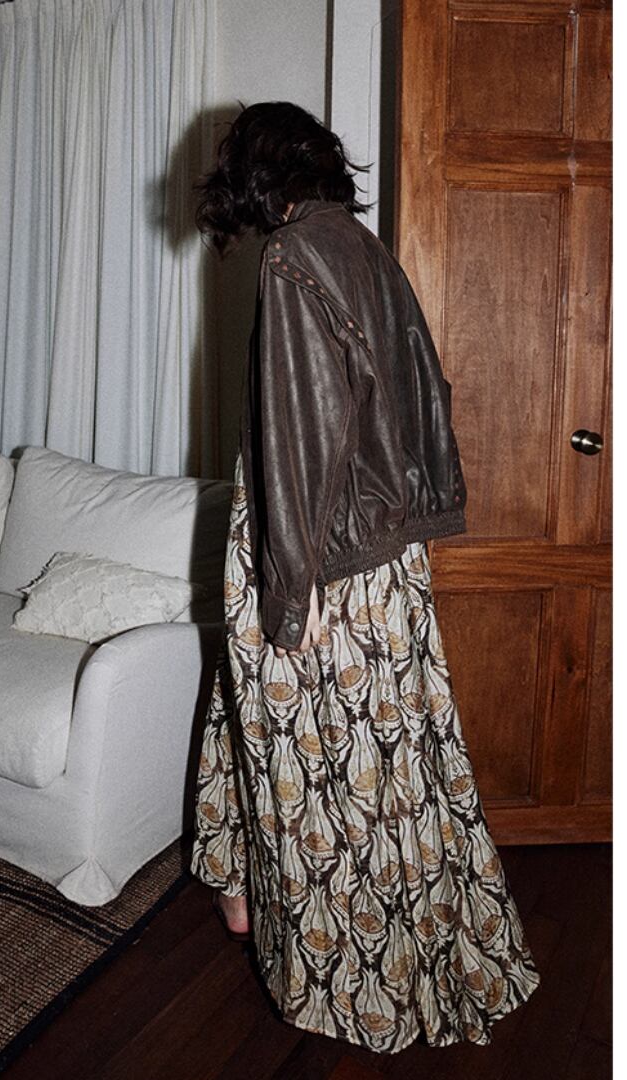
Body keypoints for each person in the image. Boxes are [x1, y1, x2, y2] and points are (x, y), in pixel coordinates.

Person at [189, 101, 541, 1053]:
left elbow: (300, 440)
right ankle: (249, 893)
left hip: (318, 558)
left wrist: (289, 595)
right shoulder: (369, 253)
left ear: (257, 173)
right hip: (385, 557)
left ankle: (359, 979)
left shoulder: (293, 257)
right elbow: (425, 396)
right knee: (391, 756)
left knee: (325, 766)